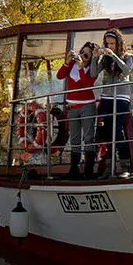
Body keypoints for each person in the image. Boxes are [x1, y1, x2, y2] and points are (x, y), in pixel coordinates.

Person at [90, 28, 133, 178]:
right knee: (106, 131)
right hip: (107, 97)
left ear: (119, 43)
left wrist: (114, 55)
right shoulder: (105, 60)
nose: (109, 46)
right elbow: (93, 73)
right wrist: (95, 58)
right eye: (107, 43)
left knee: (117, 130)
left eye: (113, 43)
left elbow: (126, 70)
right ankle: (109, 168)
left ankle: (125, 166)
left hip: (121, 97)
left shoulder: (128, 56)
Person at [55, 41, 98, 179]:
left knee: (88, 137)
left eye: (86, 55)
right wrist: (67, 62)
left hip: (87, 106)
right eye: (81, 52)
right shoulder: (72, 65)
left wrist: (80, 67)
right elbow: (60, 75)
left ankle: (89, 170)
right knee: (74, 138)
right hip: (72, 107)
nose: (83, 56)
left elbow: (87, 84)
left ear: (91, 58)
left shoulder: (92, 69)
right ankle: (74, 169)